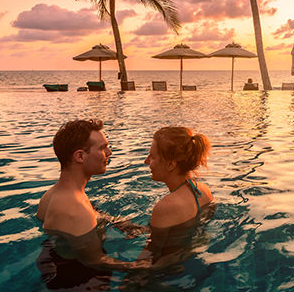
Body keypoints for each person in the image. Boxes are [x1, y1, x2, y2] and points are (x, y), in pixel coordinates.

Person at [36, 119, 146, 290]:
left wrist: (118, 223)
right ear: (80, 156)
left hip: (60, 267)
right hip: (83, 282)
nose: (109, 152)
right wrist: (148, 266)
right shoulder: (75, 208)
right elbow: (95, 261)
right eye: (102, 148)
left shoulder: (52, 194)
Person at [137, 126, 214, 266]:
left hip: (168, 269)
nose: (146, 161)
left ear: (171, 164)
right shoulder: (204, 191)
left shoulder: (165, 207)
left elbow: (150, 255)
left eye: (152, 157)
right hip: (194, 259)